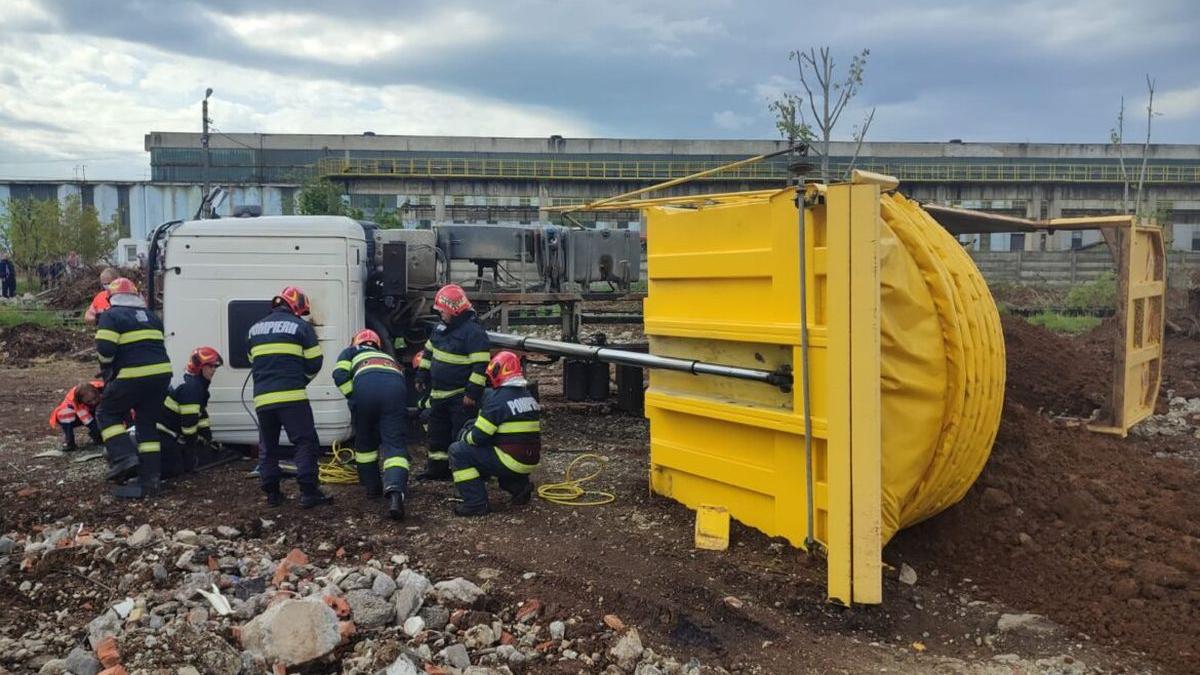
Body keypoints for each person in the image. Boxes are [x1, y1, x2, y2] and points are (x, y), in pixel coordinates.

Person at [248, 285, 330, 508]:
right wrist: (301, 379)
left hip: (263, 398)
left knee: (268, 445)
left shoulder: (254, 329)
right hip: (292, 396)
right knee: (304, 442)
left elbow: (252, 360)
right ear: (296, 306)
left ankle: (272, 494)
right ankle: (308, 492)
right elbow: (315, 361)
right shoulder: (301, 327)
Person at [94, 278, 172, 498]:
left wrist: (108, 368)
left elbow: (105, 349)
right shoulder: (152, 317)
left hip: (132, 375)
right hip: (161, 376)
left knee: (107, 413)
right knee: (147, 425)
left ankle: (124, 457)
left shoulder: (111, 315)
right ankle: (151, 479)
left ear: (111, 297)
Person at [449, 351, 540, 516]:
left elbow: (478, 437)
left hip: (510, 460)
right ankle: (519, 487)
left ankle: (475, 503)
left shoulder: (497, 401)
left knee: (458, 451)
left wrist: (464, 436)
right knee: (501, 447)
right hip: (529, 460)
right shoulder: (528, 396)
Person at [415, 284, 490, 481]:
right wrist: (422, 374)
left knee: (461, 434)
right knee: (436, 434)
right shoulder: (440, 329)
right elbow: (428, 352)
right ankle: (438, 470)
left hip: (460, 396)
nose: (441, 315)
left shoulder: (473, 333)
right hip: (438, 394)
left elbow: (480, 367)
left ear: (455, 310)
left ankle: (466, 473)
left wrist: (472, 394)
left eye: (443, 311)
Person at [332, 329, 410, 520]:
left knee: (365, 443)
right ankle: (395, 492)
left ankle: (372, 487)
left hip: (366, 389)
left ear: (356, 342)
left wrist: (353, 396)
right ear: (377, 344)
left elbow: (339, 374)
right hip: (395, 390)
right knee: (395, 445)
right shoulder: (386, 356)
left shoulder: (351, 351)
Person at [159, 347, 223, 478]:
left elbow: (200, 414)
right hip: (163, 435)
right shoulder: (192, 388)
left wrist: (207, 438)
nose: (214, 370)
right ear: (199, 367)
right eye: (210, 366)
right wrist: (191, 449)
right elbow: (189, 425)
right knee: (174, 470)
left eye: (215, 366)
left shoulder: (193, 382)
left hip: (168, 433)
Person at [49, 380, 104, 452]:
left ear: (96, 392)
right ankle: (70, 442)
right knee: (64, 412)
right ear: (81, 400)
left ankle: (97, 435)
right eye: (89, 401)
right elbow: (89, 421)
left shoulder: (103, 388)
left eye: (94, 398)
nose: (93, 402)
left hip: (92, 410)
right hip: (73, 415)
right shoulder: (75, 401)